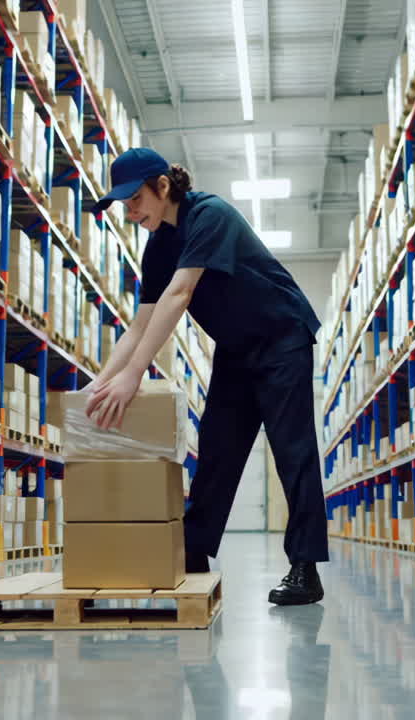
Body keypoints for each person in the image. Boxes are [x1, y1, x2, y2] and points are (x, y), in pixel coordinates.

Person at [83, 147, 329, 606]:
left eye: (135, 199)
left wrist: (134, 376)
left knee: (292, 452)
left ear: (162, 186)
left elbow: (180, 294)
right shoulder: (158, 245)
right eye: (124, 205)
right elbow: (139, 324)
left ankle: (305, 568)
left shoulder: (208, 215)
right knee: (216, 451)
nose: (131, 212)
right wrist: (97, 385)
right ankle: (193, 552)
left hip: (282, 338)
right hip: (236, 350)